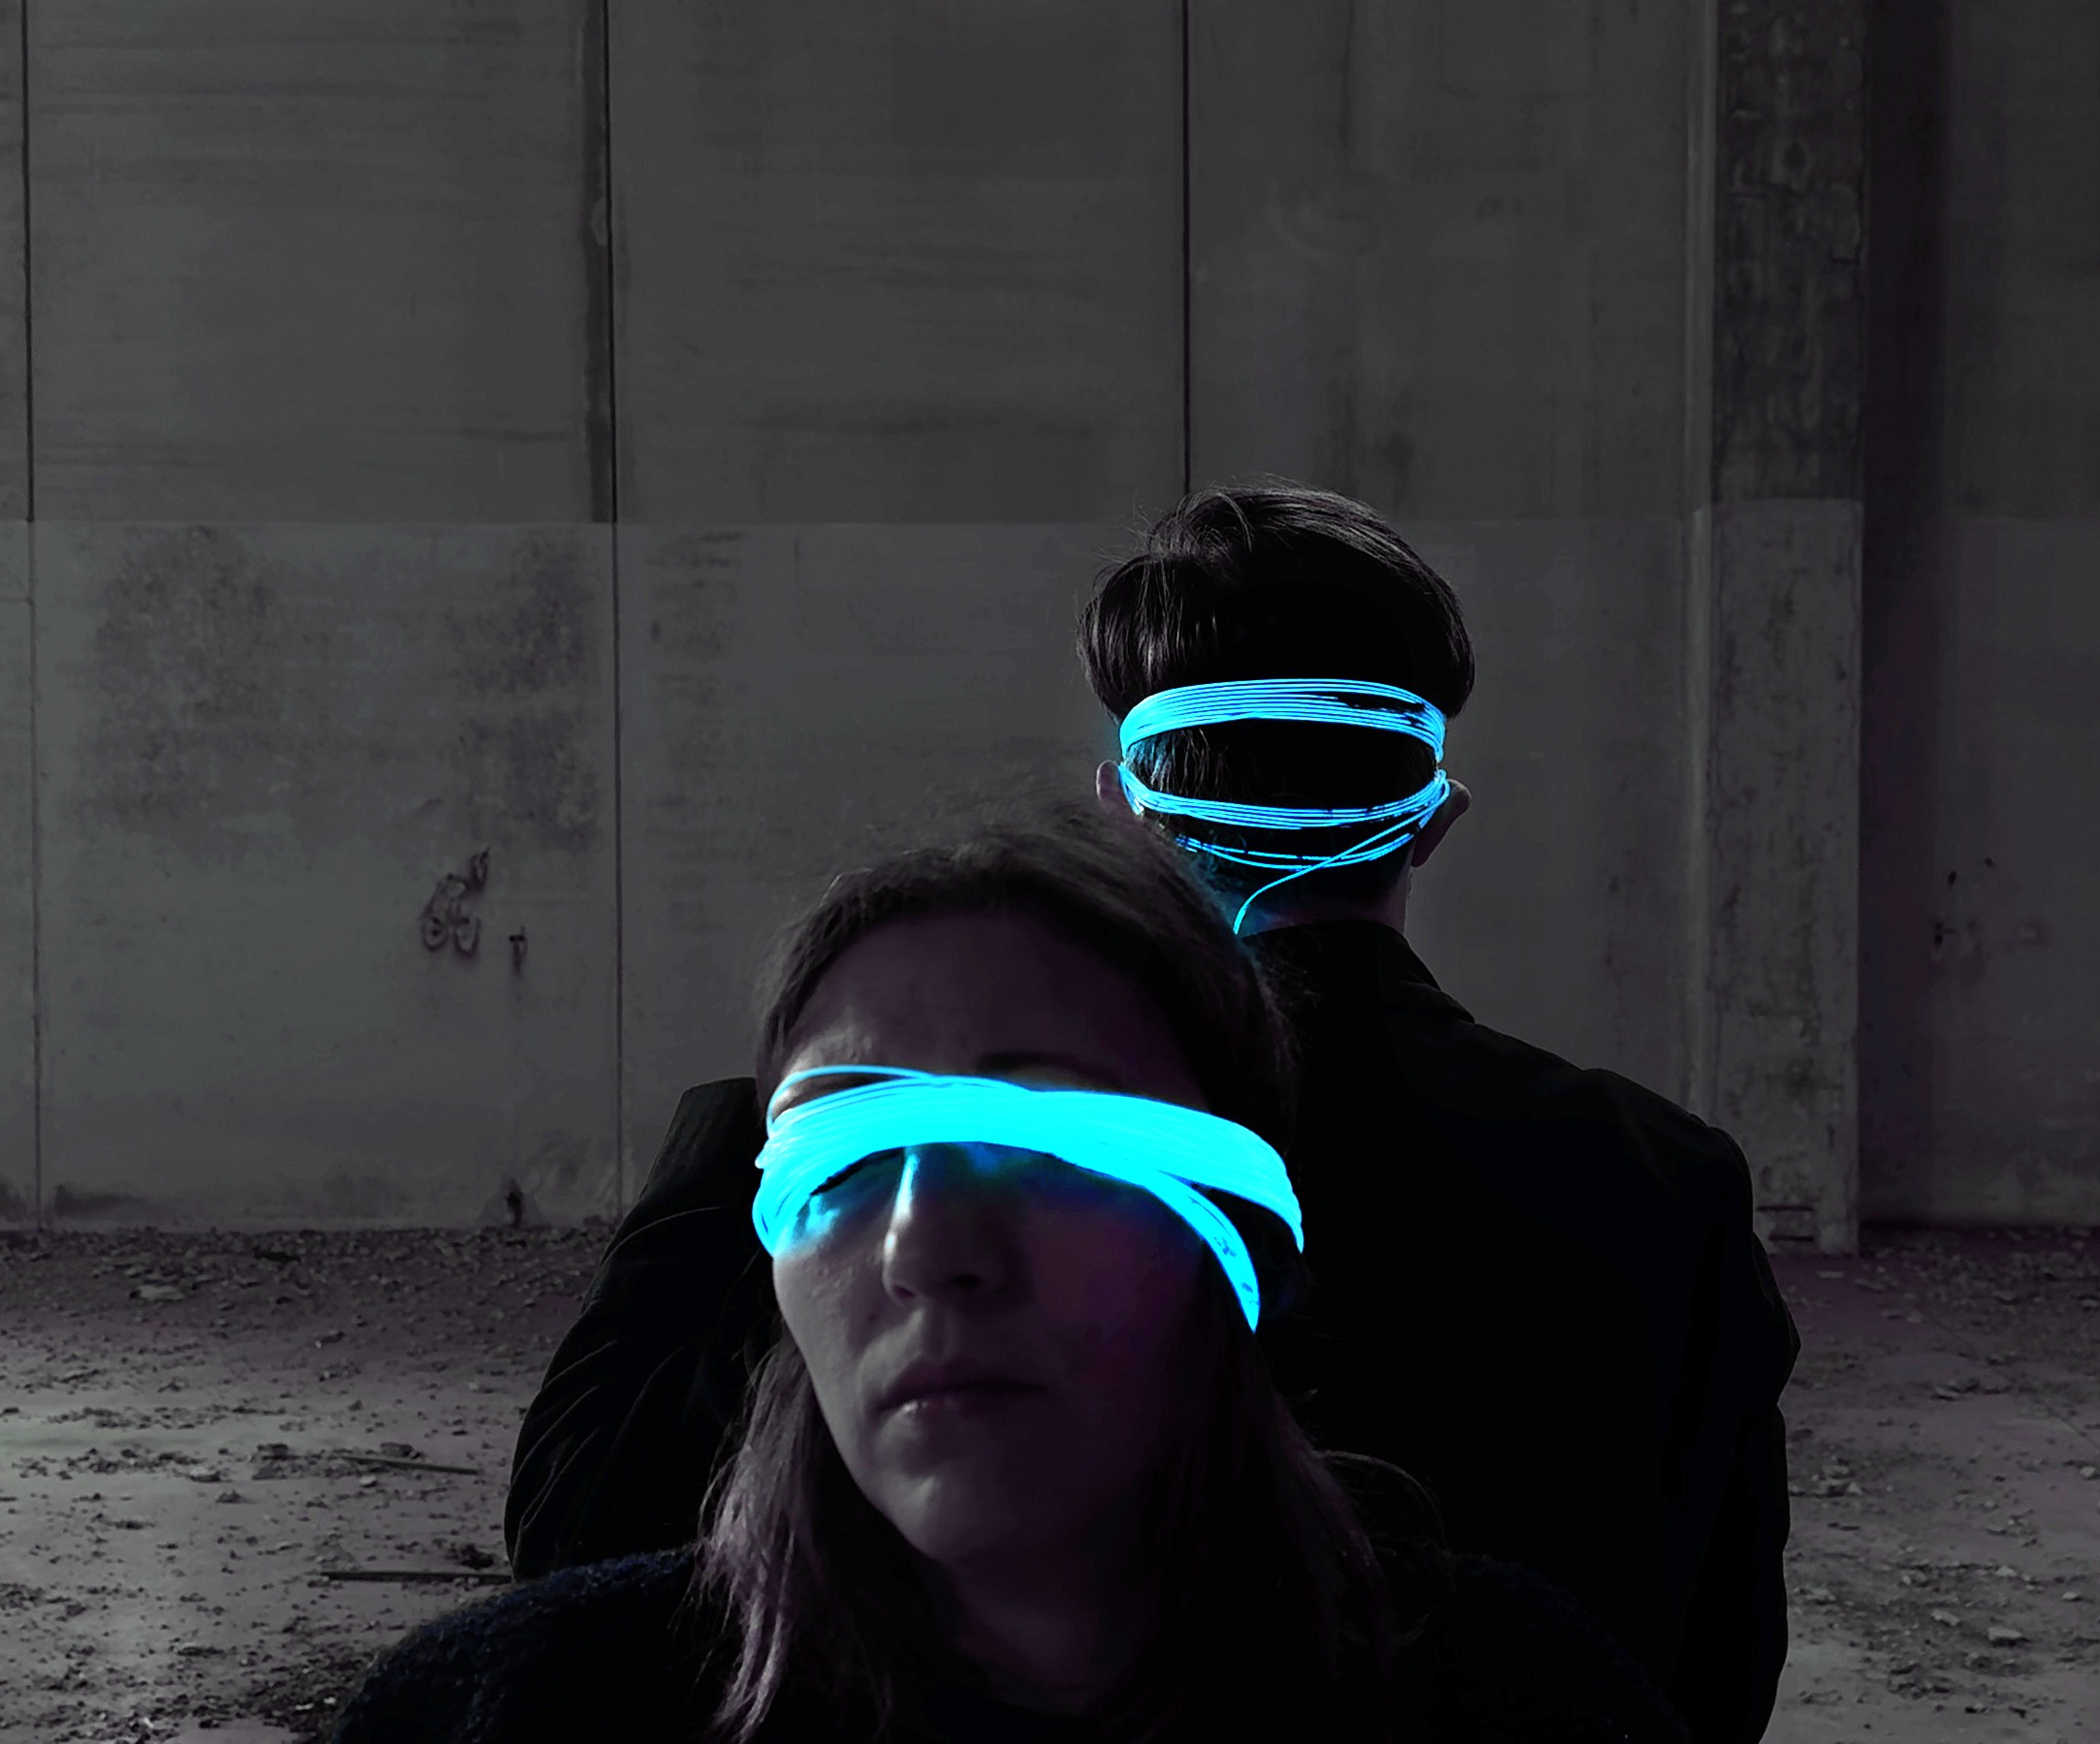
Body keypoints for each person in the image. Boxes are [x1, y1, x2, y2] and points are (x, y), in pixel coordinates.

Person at [503, 481, 1800, 1740]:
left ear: (1124, 812)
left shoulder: (894, 1166)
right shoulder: (1662, 1179)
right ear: (1434, 820)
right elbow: (1711, 1671)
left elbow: (579, 1525)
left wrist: (783, 1117)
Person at [335, 805, 1684, 1742]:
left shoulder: (1524, 1706)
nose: (927, 1249)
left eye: (1051, 1145)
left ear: (1247, 1238)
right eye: (845, 1152)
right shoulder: (516, 1713)